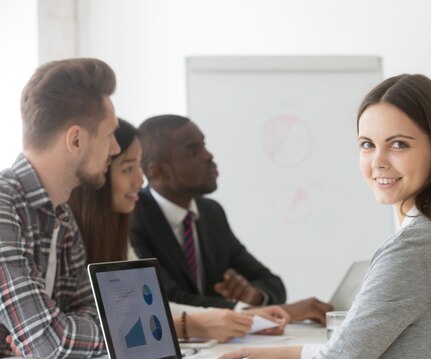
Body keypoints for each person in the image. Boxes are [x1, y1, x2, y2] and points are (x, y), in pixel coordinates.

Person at [136, 74, 431, 359]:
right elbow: (387, 355)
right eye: (367, 144)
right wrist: (276, 354)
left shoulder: (413, 252)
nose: (378, 162)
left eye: (399, 145)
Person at [67, 118, 289, 342]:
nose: (140, 180)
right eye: (127, 168)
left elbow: (150, 305)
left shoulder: (211, 213)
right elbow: (153, 302)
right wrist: (196, 324)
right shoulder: (132, 217)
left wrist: (245, 312)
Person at [130, 115, 333, 323]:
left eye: (204, 145)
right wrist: (258, 312)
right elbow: (165, 299)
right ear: (159, 171)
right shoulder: (133, 218)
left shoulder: (211, 213)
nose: (208, 155)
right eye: (193, 150)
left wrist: (253, 295)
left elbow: (271, 283)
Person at [0, 58, 120, 359]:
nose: (116, 149)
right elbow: (49, 339)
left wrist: (57, 331)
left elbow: (92, 311)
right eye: (109, 135)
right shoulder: (3, 204)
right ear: (76, 139)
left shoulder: (61, 215)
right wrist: (117, 334)